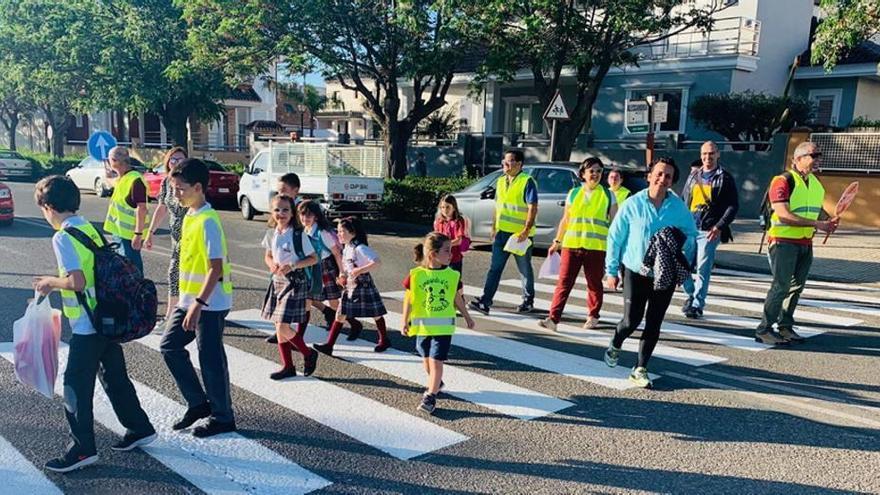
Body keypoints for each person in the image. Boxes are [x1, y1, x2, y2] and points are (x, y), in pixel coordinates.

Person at [33, 175, 155, 473]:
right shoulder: (87, 227)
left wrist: (49, 282)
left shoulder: (62, 236)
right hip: (106, 317)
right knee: (114, 378)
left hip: (89, 325)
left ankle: (81, 449)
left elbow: (77, 281)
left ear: (49, 207)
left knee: (75, 385)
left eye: (43, 210)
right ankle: (139, 427)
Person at [603, 157, 697, 388]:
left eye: (668, 176)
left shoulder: (678, 207)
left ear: (672, 181)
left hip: (663, 275)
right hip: (635, 271)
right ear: (649, 176)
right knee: (631, 320)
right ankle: (616, 341)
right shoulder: (633, 204)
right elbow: (615, 238)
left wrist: (679, 261)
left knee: (654, 322)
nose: (662, 179)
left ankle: (640, 368)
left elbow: (692, 237)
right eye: (659, 173)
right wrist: (612, 271)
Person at [159, 158, 236, 437]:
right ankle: (198, 403)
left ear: (199, 188)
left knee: (210, 359)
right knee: (169, 347)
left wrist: (198, 305)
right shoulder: (190, 215)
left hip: (209, 303)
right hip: (190, 300)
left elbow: (215, 268)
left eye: (180, 189)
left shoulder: (208, 221)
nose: (175, 194)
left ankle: (223, 416)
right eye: (173, 188)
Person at [755, 141, 838, 345]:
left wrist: (828, 220)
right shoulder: (782, 180)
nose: (818, 159)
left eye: (819, 155)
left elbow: (815, 209)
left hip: (805, 242)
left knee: (796, 287)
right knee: (781, 286)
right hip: (783, 242)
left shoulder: (815, 184)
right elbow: (782, 214)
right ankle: (764, 329)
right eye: (813, 155)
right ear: (798, 159)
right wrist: (818, 223)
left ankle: (785, 327)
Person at [401, 233, 475, 414]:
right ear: (433, 254)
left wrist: (467, 316)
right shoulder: (416, 275)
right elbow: (409, 299)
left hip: (443, 328)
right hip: (422, 327)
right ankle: (437, 383)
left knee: (436, 363)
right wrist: (404, 321)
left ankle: (430, 396)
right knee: (426, 359)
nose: (451, 254)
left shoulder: (452, 275)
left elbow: (457, 298)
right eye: (447, 251)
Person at [540, 157, 617, 331]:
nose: (595, 174)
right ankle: (553, 319)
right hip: (571, 245)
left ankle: (593, 316)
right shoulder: (573, 193)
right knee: (564, 283)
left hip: (596, 247)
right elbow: (565, 220)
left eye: (599, 171)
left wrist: (615, 249)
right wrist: (557, 242)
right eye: (592, 171)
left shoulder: (607, 194)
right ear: (583, 173)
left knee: (594, 284)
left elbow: (615, 224)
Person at [469, 149, 538, 315]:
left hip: (519, 235)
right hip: (501, 233)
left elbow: (532, 207)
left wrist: (526, 230)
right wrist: (494, 227)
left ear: (519, 164)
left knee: (524, 269)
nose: (506, 164)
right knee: (495, 268)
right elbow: (498, 206)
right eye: (505, 161)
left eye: (511, 161)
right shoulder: (500, 181)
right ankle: (485, 301)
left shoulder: (527, 181)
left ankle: (528, 301)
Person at [261, 194, 320, 379]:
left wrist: (293, 265)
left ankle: (308, 353)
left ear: (292, 212)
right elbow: (268, 255)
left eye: (285, 209)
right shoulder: (272, 233)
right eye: (277, 209)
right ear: (271, 212)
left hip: (295, 282)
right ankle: (288, 366)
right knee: (279, 326)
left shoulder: (298, 234)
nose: (281, 213)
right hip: (277, 281)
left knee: (283, 327)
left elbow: (313, 258)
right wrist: (271, 265)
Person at [313, 217, 390, 356]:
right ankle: (329, 345)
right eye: (338, 231)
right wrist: (342, 276)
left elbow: (377, 262)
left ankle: (384, 340)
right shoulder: (347, 247)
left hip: (363, 284)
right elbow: (346, 266)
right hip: (350, 284)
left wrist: (359, 270)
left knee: (376, 313)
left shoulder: (360, 248)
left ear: (353, 232)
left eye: (342, 231)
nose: (339, 234)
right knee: (340, 314)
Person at [680, 141, 739, 319]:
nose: (708, 157)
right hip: (690, 228)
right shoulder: (693, 176)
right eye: (705, 154)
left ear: (718, 154)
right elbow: (684, 200)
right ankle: (690, 293)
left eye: (711, 153)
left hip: (709, 230)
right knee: (681, 265)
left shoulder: (724, 178)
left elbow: (732, 206)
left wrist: (719, 226)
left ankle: (697, 303)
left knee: (703, 268)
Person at [145, 147, 189, 329]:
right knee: (179, 274)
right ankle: (179, 312)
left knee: (175, 272)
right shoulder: (165, 183)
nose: (176, 163)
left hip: (189, 234)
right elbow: (162, 208)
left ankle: (172, 315)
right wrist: (150, 232)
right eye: (173, 160)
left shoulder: (188, 183)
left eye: (180, 159)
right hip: (175, 235)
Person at [266, 172, 303, 343]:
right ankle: (284, 332)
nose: (280, 194)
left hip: (299, 269)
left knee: (306, 303)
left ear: (295, 191)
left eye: (284, 190)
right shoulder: (275, 222)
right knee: (280, 309)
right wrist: (271, 263)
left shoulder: (302, 209)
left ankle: (294, 335)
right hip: (280, 273)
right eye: (278, 191)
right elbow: (268, 253)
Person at [298, 199, 344, 327]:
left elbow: (336, 253)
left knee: (333, 300)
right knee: (308, 297)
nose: (304, 218)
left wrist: (342, 273)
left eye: (308, 215)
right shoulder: (304, 230)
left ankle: (344, 322)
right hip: (311, 267)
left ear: (316, 217)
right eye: (302, 214)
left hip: (326, 267)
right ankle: (329, 314)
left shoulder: (321, 232)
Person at [103, 146, 149, 274]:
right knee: (125, 267)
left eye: (109, 160)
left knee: (132, 268)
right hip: (121, 233)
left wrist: (138, 235)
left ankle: (138, 291)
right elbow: (114, 182)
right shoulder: (124, 178)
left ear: (115, 161)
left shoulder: (134, 180)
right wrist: (107, 176)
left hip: (130, 235)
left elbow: (142, 208)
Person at [432, 194, 470, 274]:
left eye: (448, 207)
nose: (445, 210)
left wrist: (443, 245)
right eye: (442, 207)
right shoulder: (439, 221)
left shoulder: (458, 221)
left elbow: (458, 240)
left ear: (454, 207)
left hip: (454, 258)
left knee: (454, 283)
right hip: (441, 259)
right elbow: (436, 237)